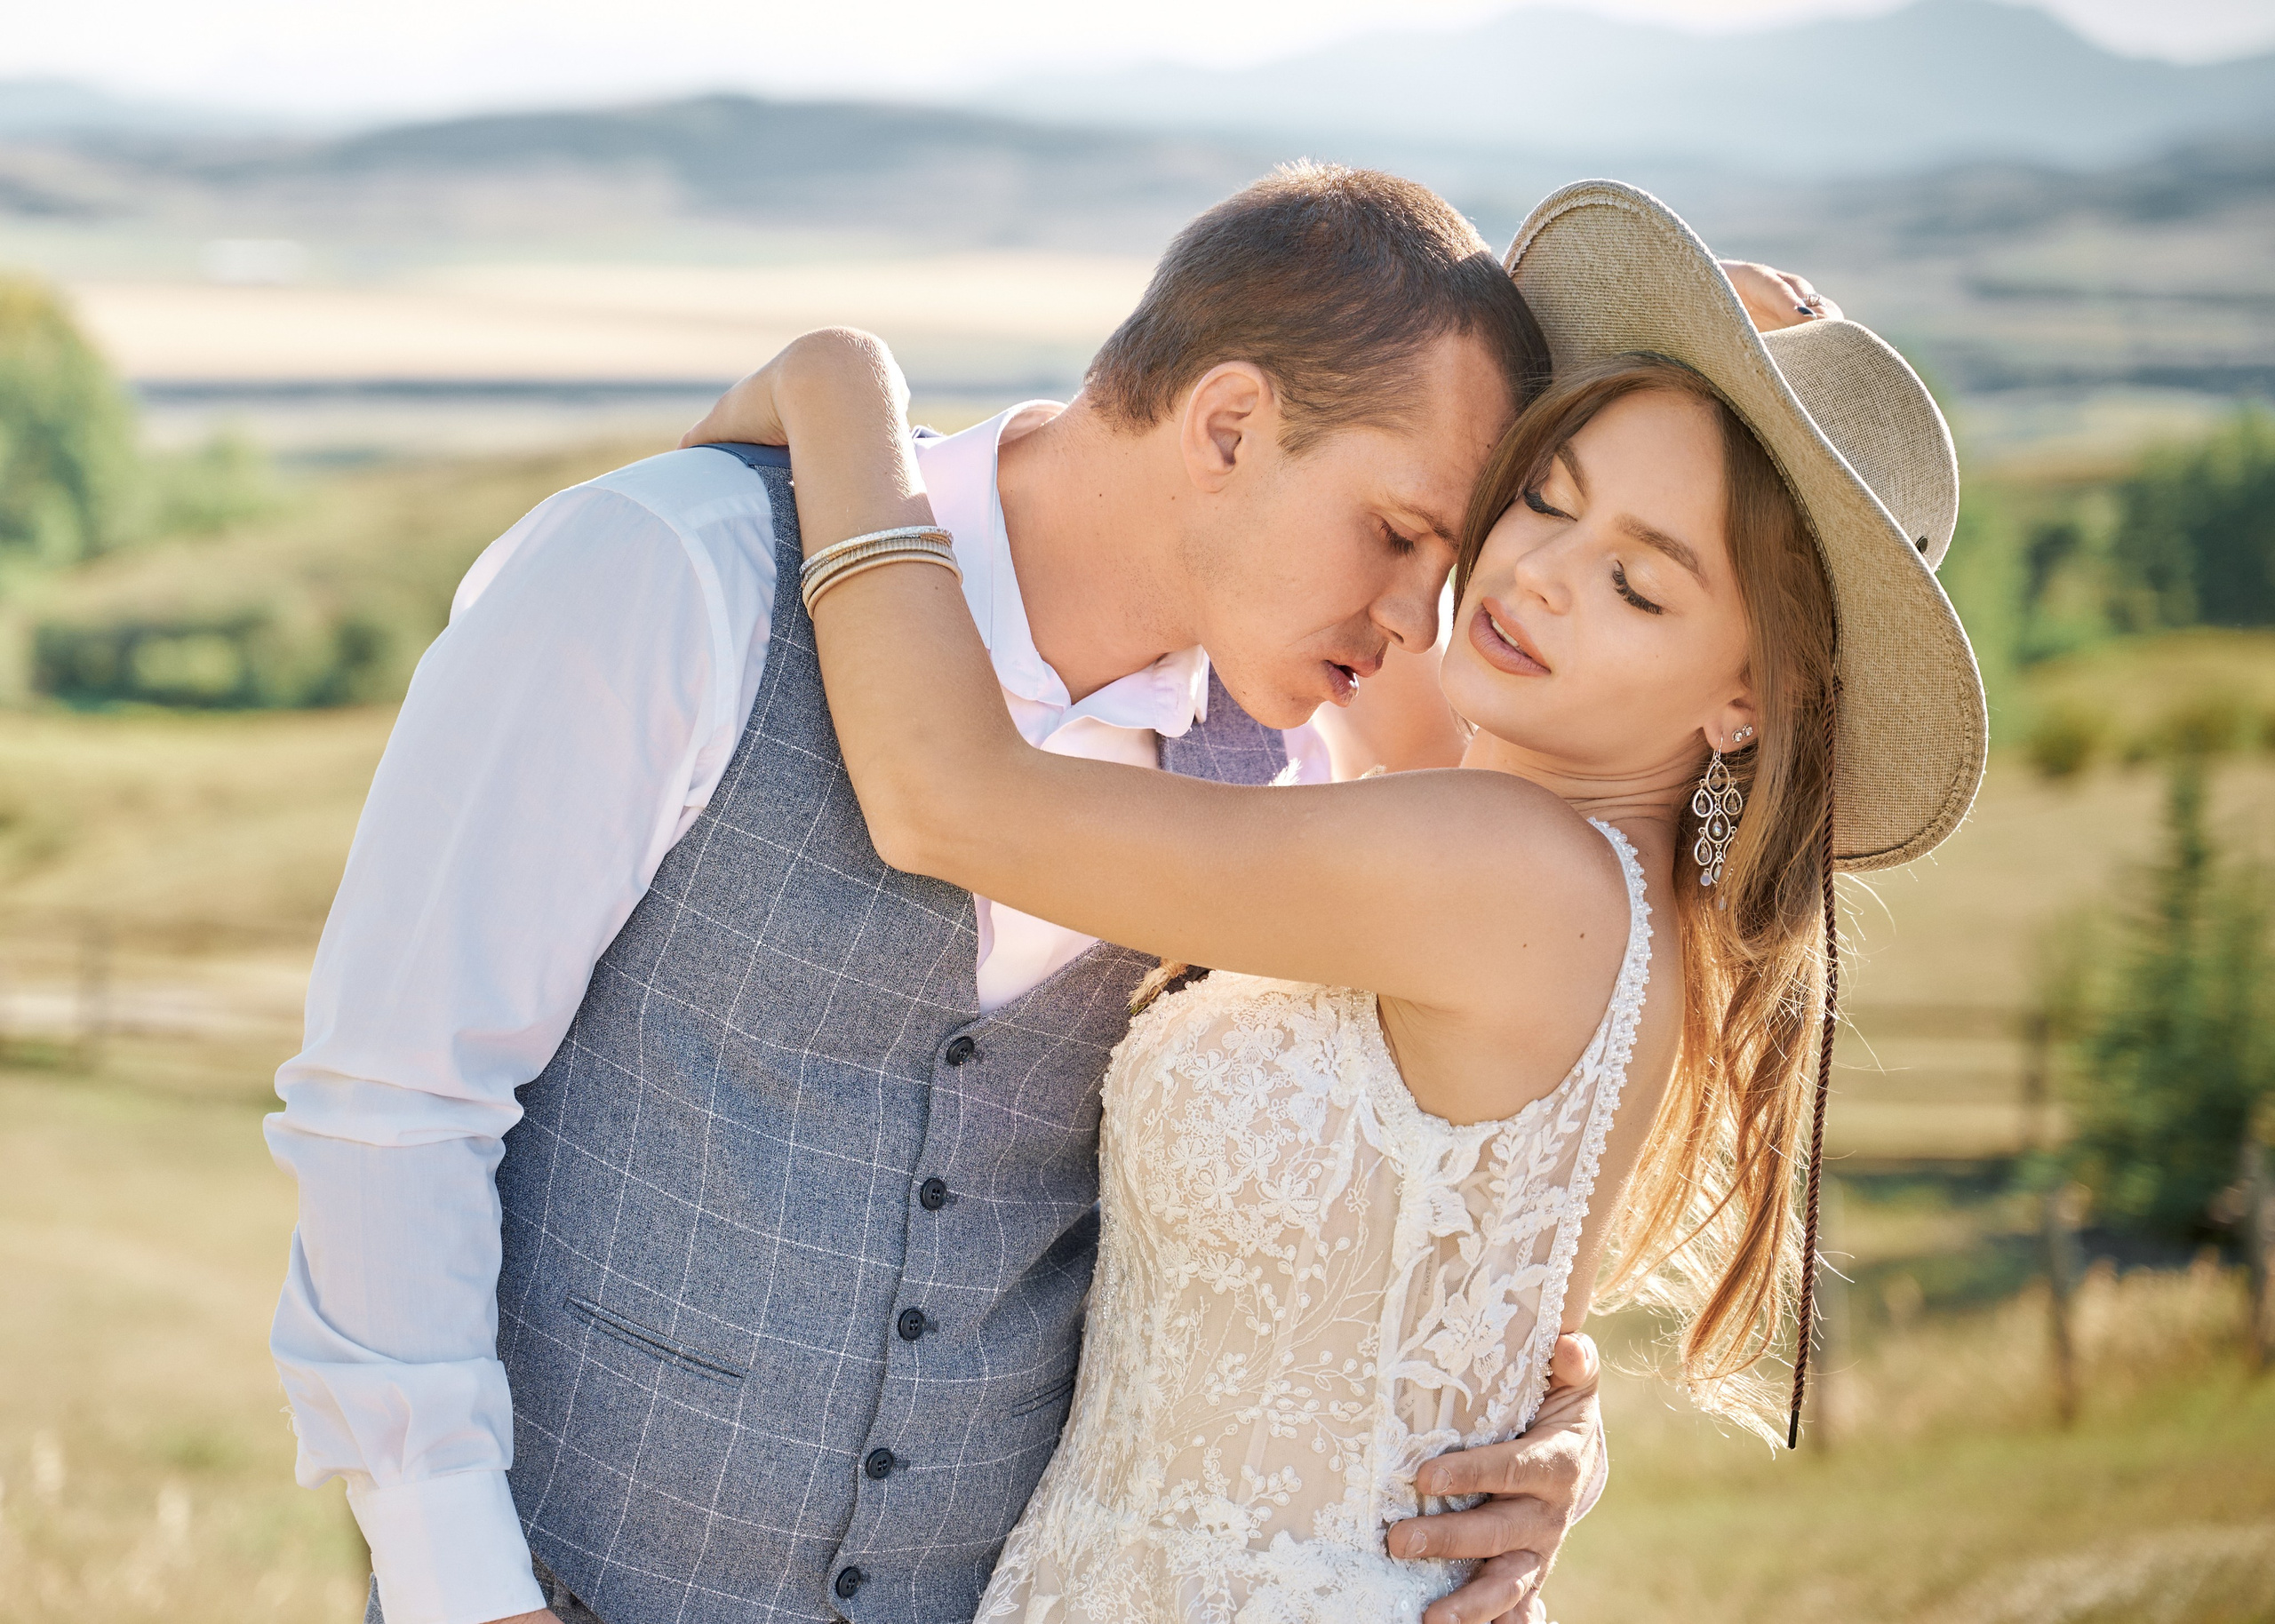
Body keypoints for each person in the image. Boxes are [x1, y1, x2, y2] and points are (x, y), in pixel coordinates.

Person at [265, 164, 1842, 1624]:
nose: (1424, 614)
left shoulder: (1298, 797)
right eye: (1407, 532)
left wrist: (1532, 1421)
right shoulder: (674, 577)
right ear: (1228, 426)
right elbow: (393, 1100)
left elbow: (1406, 1214)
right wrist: (455, 1576)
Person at [686, 179, 1986, 1622]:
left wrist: (839, 391)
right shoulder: (1583, 881)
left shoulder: (1502, 870)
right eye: (1543, 498)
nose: (1539, 574)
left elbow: (948, 798)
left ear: (1746, 699)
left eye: (1634, 580)